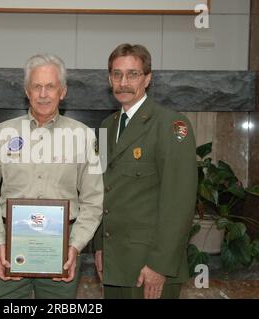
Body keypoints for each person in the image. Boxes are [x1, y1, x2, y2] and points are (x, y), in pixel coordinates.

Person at [0, 53, 103, 299]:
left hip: (62, 253)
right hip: (9, 251)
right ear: (26, 91)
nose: (43, 94)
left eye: (50, 86)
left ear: (62, 91)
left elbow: (94, 201)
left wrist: (74, 247)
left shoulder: (86, 137)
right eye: (37, 86)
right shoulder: (0, 135)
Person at [93, 43, 197, 299]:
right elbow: (102, 188)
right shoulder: (107, 126)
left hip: (149, 267)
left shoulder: (172, 125)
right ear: (109, 79)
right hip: (113, 262)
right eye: (117, 74)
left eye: (133, 74)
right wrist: (99, 246)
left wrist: (160, 265)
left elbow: (179, 202)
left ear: (148, 79)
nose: (124, 82)